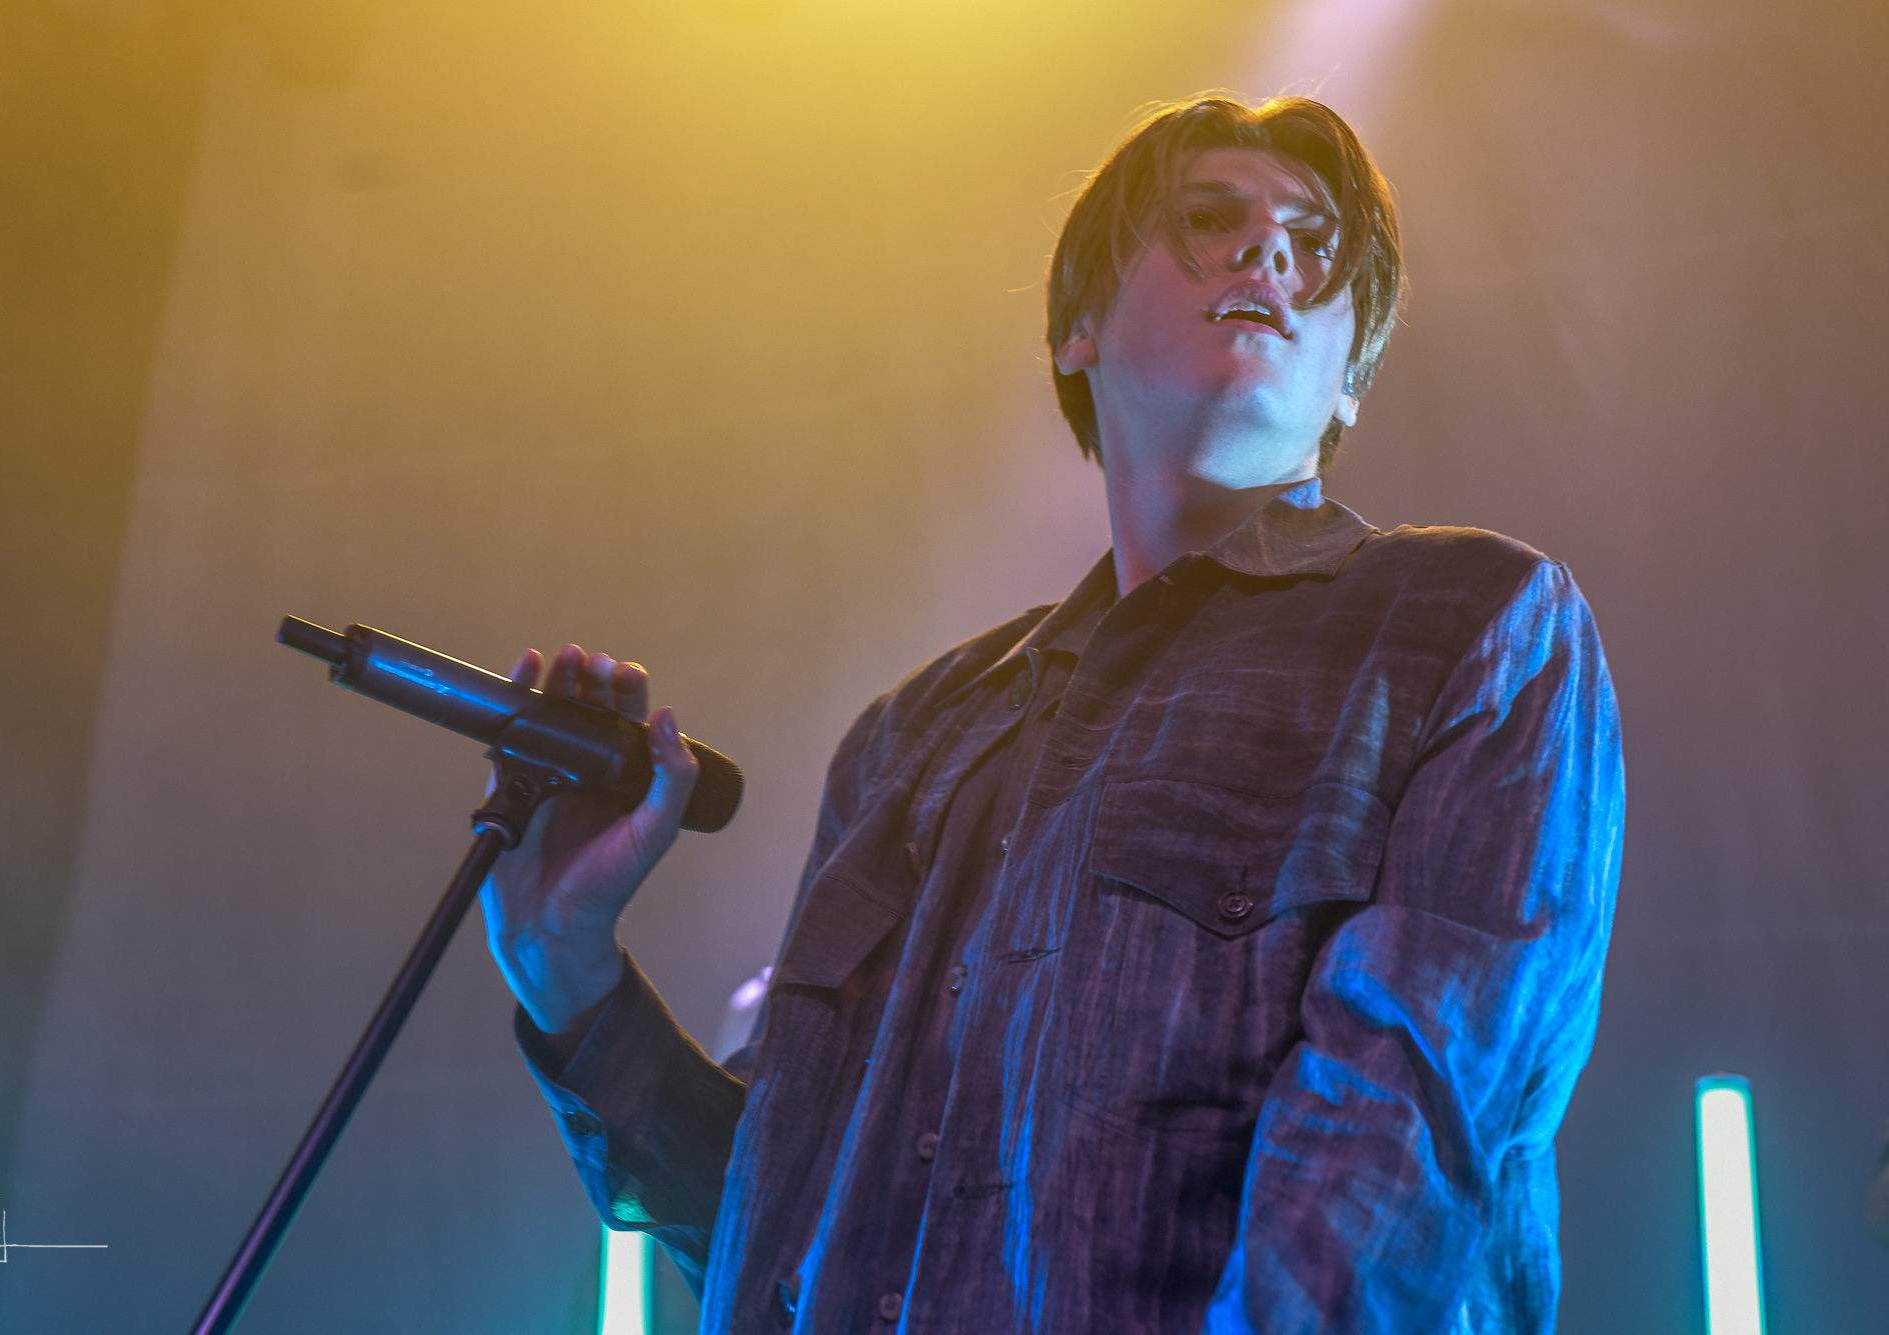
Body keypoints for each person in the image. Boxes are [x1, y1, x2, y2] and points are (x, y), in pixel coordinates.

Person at [480, 93, 1623, 1334]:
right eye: (1208, 218)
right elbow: (772, 1232)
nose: (1267, 250)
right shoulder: (909, 738)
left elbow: (1401, 1151)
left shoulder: (1468, 625)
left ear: (1350, 378)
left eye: (1313, 243)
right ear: (1077, 328)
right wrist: (565, 968)